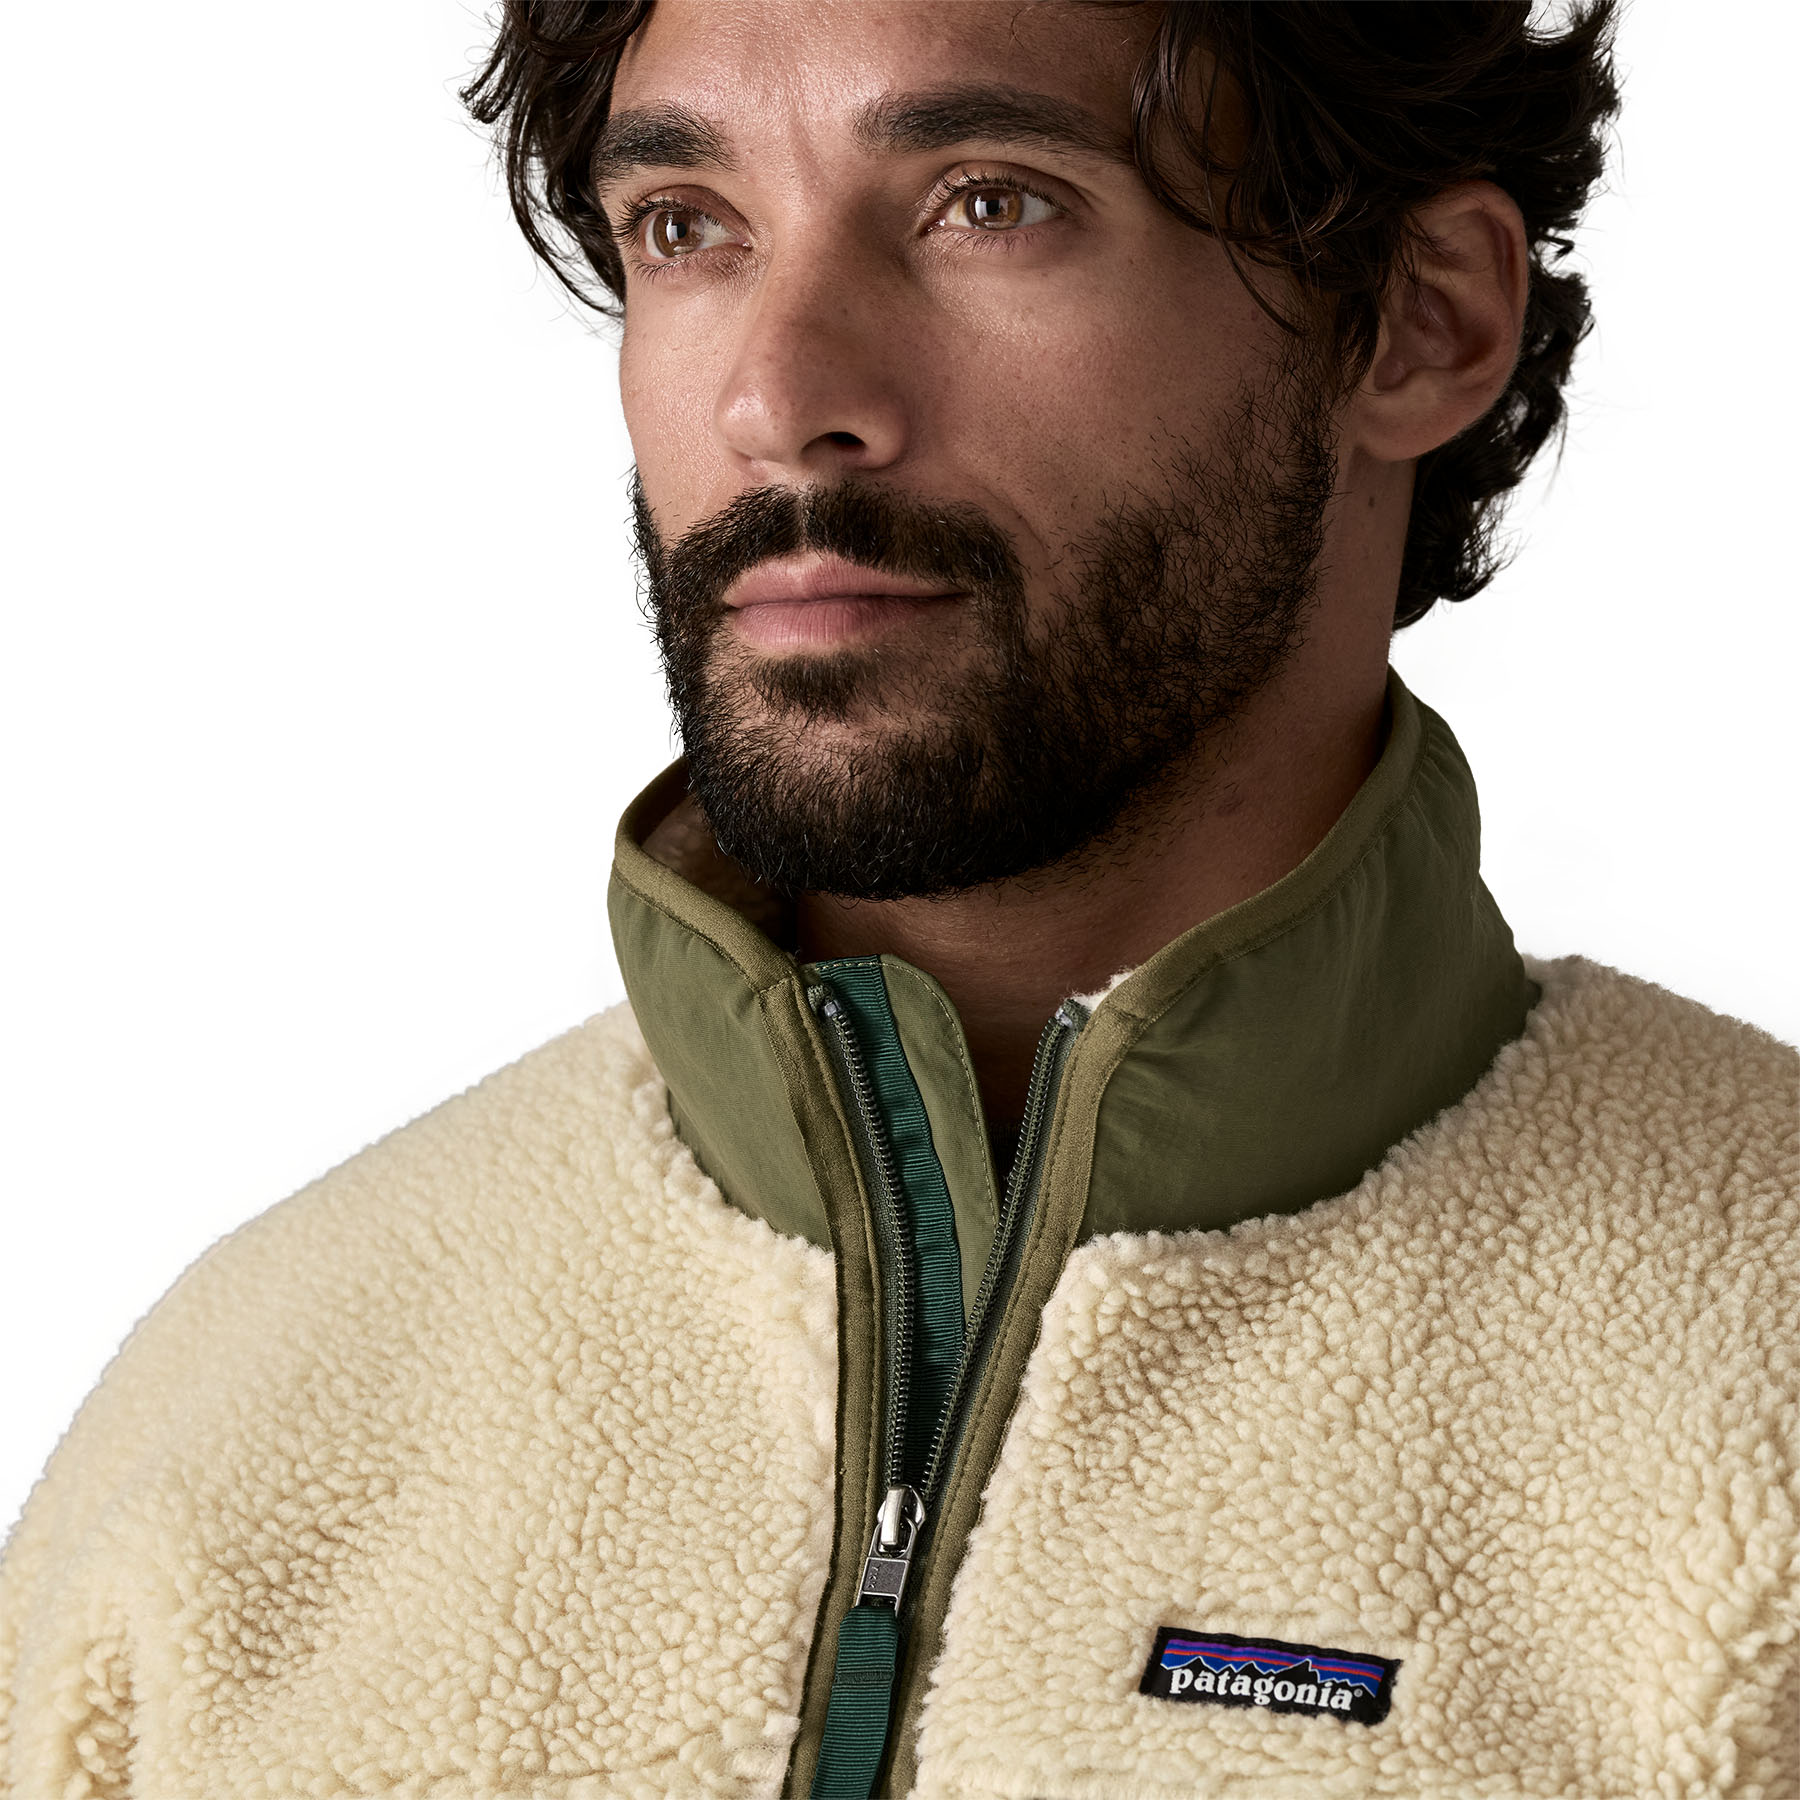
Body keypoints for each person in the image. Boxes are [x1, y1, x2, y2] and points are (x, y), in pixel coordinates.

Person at [3, 3, 1795, 1796]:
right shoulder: (241, 1429)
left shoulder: (1758, 1418)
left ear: (1420, 317)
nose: (779, 399)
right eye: (688, 227)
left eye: (989, 202)